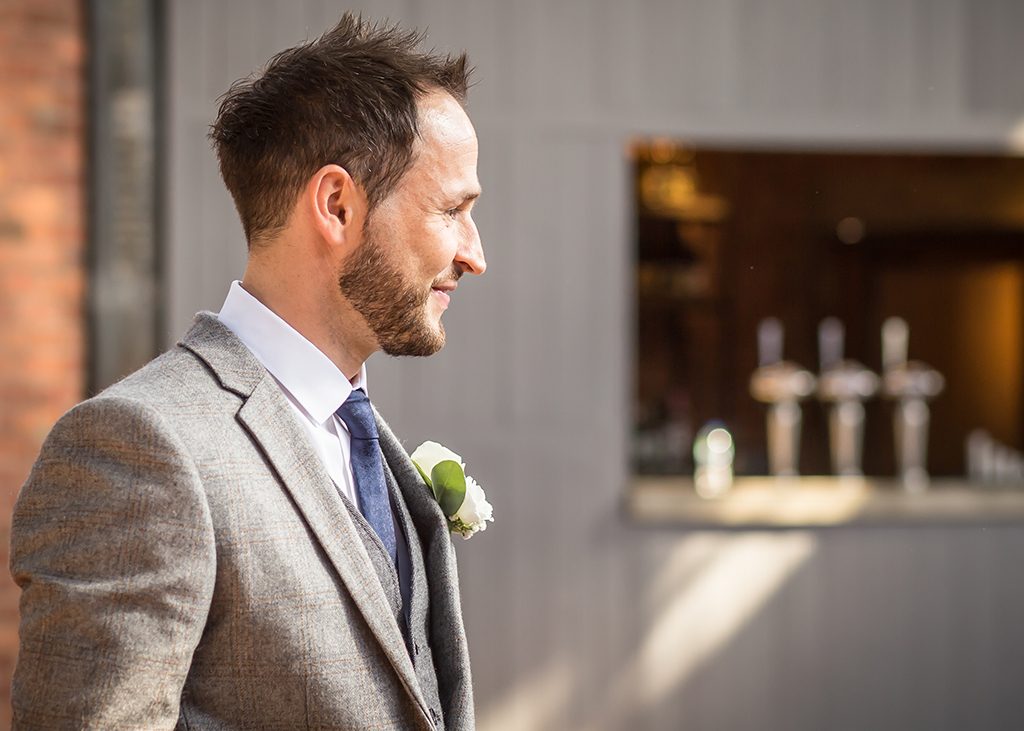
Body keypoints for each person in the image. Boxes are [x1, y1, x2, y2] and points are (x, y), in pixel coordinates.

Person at [10, 13, 485, 730]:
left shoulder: (368, 443)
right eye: (452, 209)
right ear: (336, 205)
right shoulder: (140, 449)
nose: (474, 255)